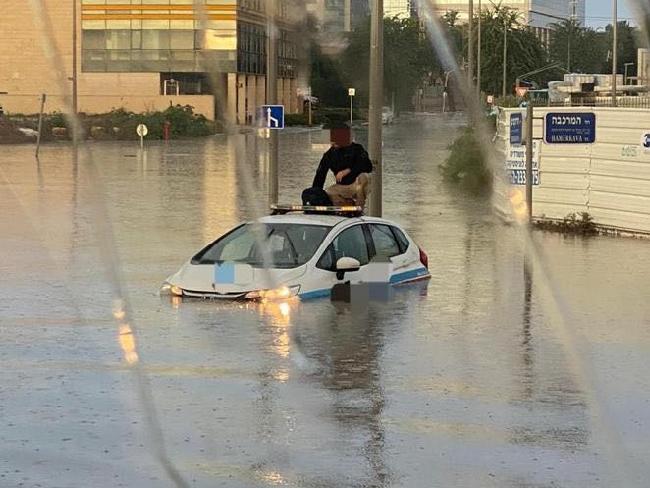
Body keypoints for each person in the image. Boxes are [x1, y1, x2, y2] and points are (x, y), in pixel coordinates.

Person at [312, 125, 372, 208]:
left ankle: (359, 206)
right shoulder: (329, 155)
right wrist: (314, 194)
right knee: (328, 192)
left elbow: (368, 166)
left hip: (357, 184)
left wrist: (348, 170)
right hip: (342, 187)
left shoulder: (357, 149)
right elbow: (320, 176)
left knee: (363, 177)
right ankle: (345, 205)